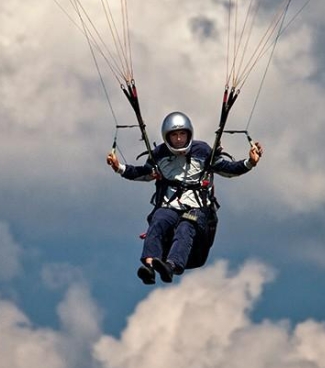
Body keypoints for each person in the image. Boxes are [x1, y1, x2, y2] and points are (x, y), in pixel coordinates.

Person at [106, 111, 263, 285]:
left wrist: (250, 162)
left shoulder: (202, 151)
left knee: (186, 226)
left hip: (197, 209)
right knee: (158, 220)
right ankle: (149, 266)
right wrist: (119, 167)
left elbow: (227, 168)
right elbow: (143, 173)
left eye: (182, 134)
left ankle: (171, 266)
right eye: (174, 135)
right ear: (167, 137)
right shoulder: (160, 154)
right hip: (170, 206)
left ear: (189, 134)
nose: (179, 139)